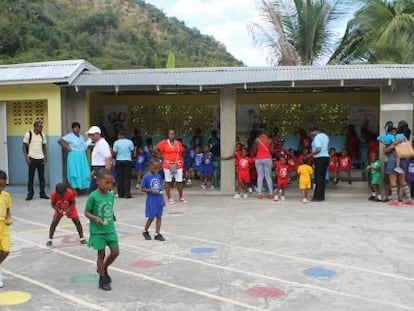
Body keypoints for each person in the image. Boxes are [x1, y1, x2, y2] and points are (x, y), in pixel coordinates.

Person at [85, 168, 119, 291]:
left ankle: (103, 268)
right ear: (98, 181)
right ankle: (102, 278)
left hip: (109, 228)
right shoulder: (93, 196)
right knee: (101, 254)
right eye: (107, 182)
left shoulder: (111, 195)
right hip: (98, 231)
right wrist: (95, 218)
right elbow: (86, 212)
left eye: (111, 183)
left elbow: (109, 208)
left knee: (115, 252)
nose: (109, 185)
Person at [383, 120, 413, 206]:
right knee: (402, 180)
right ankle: (408, 199)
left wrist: (391, 145)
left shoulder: (396, 137)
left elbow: (387, 150)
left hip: (393, 159)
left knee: (393, 179)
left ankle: (394, 200)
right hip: (403, 159)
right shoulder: (408, 138)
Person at [155, 129, 187, 204]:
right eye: (170, 134)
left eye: (173, 134)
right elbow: (156, 149)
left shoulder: (178, 143)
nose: (171, 135)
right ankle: (169, 198)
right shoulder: (164, 143)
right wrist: (161, 155)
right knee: (168, 181)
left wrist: (181, 159)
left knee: (179, 181)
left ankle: (181, 197)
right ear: (168, 135)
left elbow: (182, 151)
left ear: (174, 135)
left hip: (177, 164)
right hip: (168, 164)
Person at [58, 122, 90, 195]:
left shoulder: (81, 137)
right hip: (73, 156)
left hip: (82, 156)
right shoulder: (69, 136)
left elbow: (84, 146)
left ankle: (84, 189)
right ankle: (74, 190)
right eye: (75, 128)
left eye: (78, 127)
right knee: (74, 172)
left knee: (84, 172)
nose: (77, 129)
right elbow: (60, 141)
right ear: (73, 129)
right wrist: (67, 147)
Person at [22, 120, 49, 200]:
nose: (41, 128)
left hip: (40, 158)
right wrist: (27, 158)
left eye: (42, 126)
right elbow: (24, 147)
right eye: (40, 126)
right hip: (32, 158)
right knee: (31, 177)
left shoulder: (42, 135)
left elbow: (44, 147)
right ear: (35, 127)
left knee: (42, 177)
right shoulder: (28, 134)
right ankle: (30, 193)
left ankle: (42, 193)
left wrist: (45, 157)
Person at [141, 158, 166, 241]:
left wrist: (163, 199)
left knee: (159, 216)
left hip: (158, 198)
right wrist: (151, 190)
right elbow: (142, 188)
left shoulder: (158, 176)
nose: (156, 170)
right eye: (155, 168)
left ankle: (157, 233)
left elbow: (160, 188)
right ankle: (145, 230)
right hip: (151, 199)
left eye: (158, 168)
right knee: (151, 217)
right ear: (150, 166)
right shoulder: (146, 177)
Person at [86, 126, 112, 194]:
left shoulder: (102, 144)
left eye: (92, 135)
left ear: (98, 134)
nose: (91, 137)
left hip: (101, 169)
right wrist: (93, 172)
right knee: (95, 191)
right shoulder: (97, 143)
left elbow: (108, 158)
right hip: (96, 169)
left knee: (94, 190)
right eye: (90, 135)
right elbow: (97, 160)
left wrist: (107, 174)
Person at [309, 125, 329, 201]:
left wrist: (310, 155)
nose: (311, 134)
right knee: (322, 178)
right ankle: (322, 196)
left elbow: (318, 149)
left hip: (319, 158)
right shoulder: (325, 136)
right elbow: (327, 147)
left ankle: (317, 197)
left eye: (311, 132)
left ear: (315, 131)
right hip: (326, 157)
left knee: (318, 178)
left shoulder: (317, 137)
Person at [253, 128, 274, 199]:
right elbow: (272, 151)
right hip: (267, 158)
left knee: (260, 176)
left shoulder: (256, 140)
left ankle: (259, 194)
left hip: (258, 159)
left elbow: (255, 151)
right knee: (268, 176)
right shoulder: (270, 140)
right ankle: (271, 194)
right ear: (266, 132)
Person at [0, 170, 12, 288]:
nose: (1, 188)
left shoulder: (6, 196)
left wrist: (8, 218)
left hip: (3, 227)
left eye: (3, 185)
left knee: (6, 251)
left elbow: (8, 210)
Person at [113, 130, 134, 198]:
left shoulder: (116, 142)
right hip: (127, 160)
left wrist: (117, 158)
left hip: (119, 161)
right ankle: (127, 193)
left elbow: (115, 153)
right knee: (127, 178)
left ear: (119, 135)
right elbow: (132, 151)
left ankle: (120, 194)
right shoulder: (130, 142)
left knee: (120, 178)